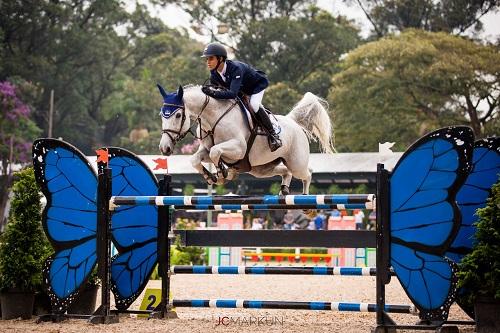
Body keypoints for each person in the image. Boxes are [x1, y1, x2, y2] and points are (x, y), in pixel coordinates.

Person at [200, 42, 282, 152]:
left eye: (211, 58)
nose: (208, 62)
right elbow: (219, 95)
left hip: (256, 86)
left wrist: (212, 93)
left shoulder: (235, 69)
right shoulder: (214, 74)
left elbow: (232, 94)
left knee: (254, 105)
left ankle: (273, 135)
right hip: (241, 90)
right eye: (207, 59)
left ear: (220, 59)